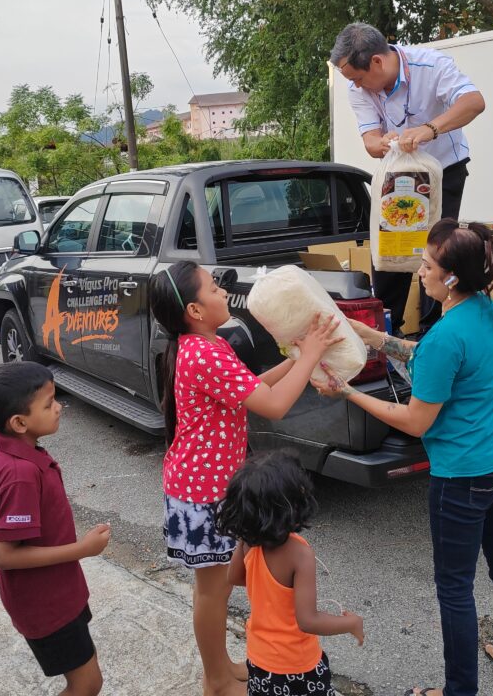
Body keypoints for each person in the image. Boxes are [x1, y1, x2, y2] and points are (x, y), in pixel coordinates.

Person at [312, 219, 493, 696]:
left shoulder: (446, 335)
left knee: (455, 587)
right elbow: (430, 357)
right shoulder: (483, 309)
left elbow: (416, 421)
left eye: (427, 265)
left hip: (465, 475)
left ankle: (458, 692)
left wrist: (346, 391)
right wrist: (367, 334)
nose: (419, 272)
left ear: (451, 277)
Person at [148, 260, 343, 696]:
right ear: (195, 310)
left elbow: (250, 387)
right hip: (203, 494)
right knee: (213, 591)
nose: (223, 293)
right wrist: (310, 353)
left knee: (215, 587)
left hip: (205, 489)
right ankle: (216, 679)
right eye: (214, 288)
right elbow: (271, 405)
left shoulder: (202, 346)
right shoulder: (205, 351)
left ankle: (220, 665)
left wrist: (297, 360)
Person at [329, 23, 486, 332]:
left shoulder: (431, 65)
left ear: (376, 61)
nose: (356, 87)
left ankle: (434, 332)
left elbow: (474, 102)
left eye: (358, 79)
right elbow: (370, 141)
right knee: (389, 253)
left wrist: (429, 129)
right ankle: (386, 333)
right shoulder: (356, 87)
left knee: (438, 252)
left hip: (444, 171)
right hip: (397, 176)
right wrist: (381, 142)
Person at [0, 361, 109, 696]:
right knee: (87, 684)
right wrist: (82, 549)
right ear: (19, 422)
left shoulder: (17, 452)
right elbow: (3, 556)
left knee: (85, 674)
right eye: (49, 404)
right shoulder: (21, 473)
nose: (59, 407)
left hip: (57, 591)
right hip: (45, 603)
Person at [216, 451, 364, 695]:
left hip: (259, 660)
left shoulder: (250, 542)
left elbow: (234, 578)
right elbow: (308, 621)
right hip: (298, 666)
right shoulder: (300, 554)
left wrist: (246, 539)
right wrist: (351, 623)